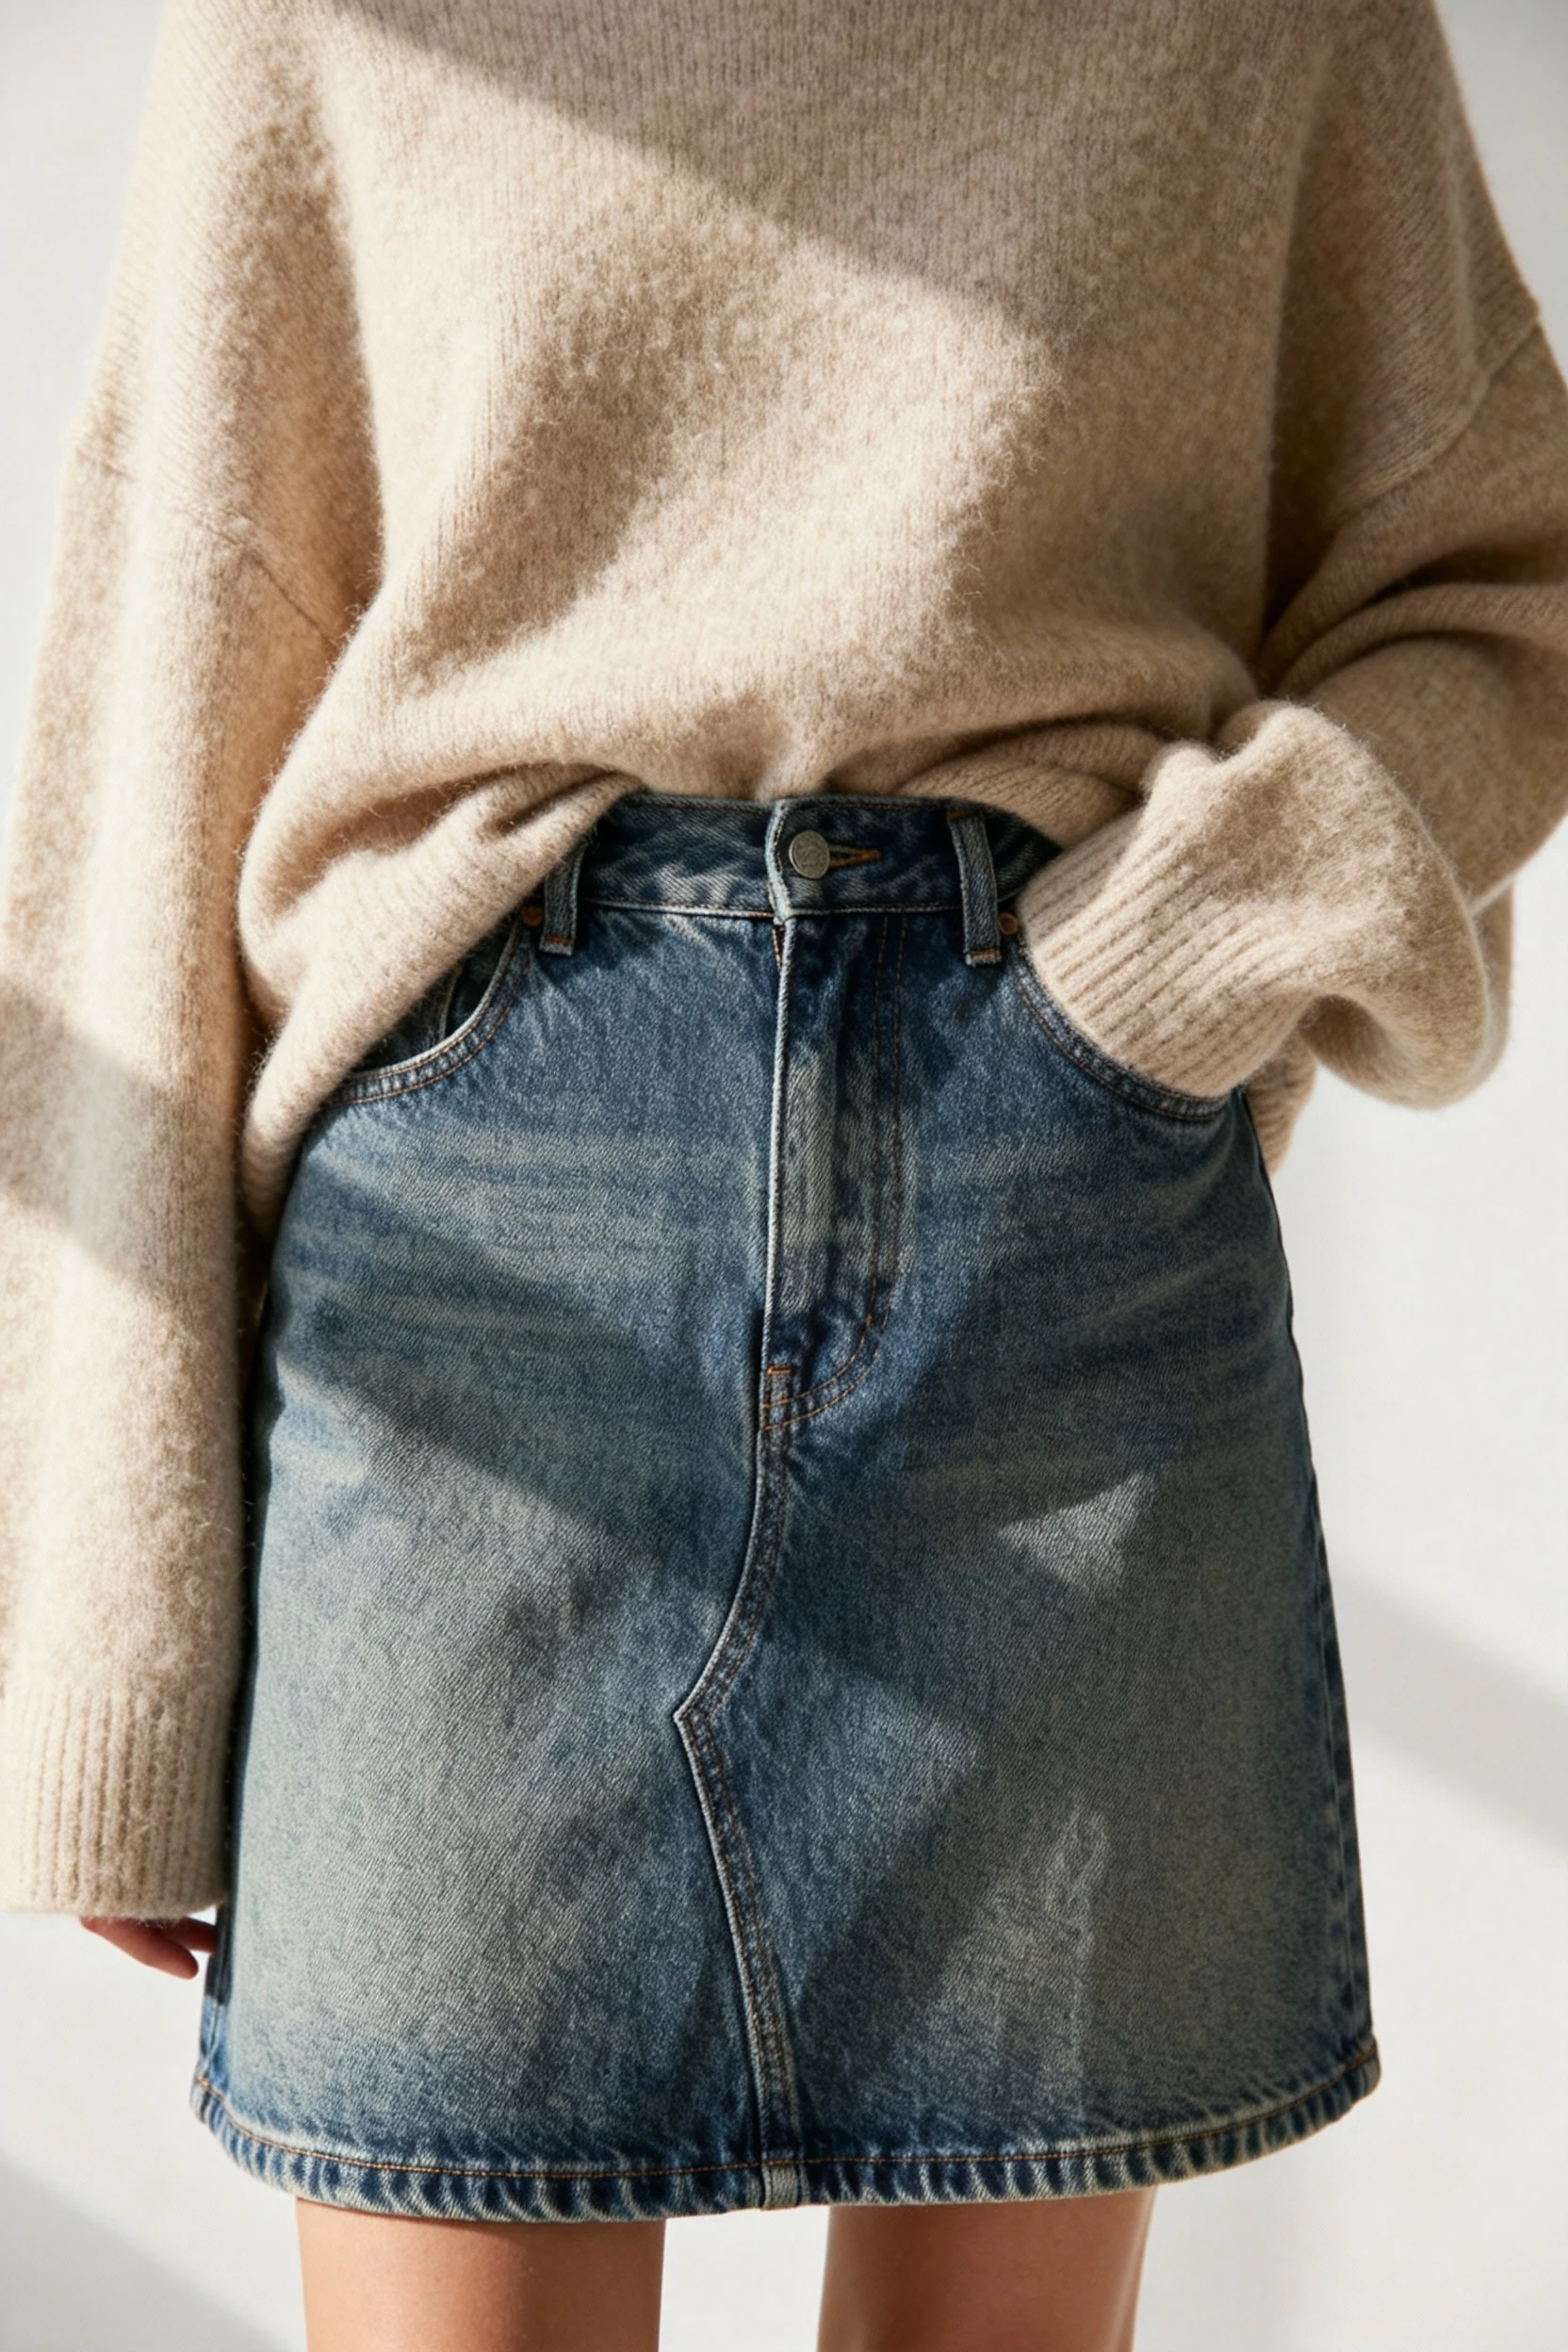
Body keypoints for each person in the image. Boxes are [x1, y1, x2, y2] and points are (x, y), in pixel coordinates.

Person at [4, 3, 1567, 2346]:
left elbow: (1498, 583)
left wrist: (1147, 971)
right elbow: (160, 717)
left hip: (1055, 1249)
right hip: (473, 1246)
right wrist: (110, 1651)